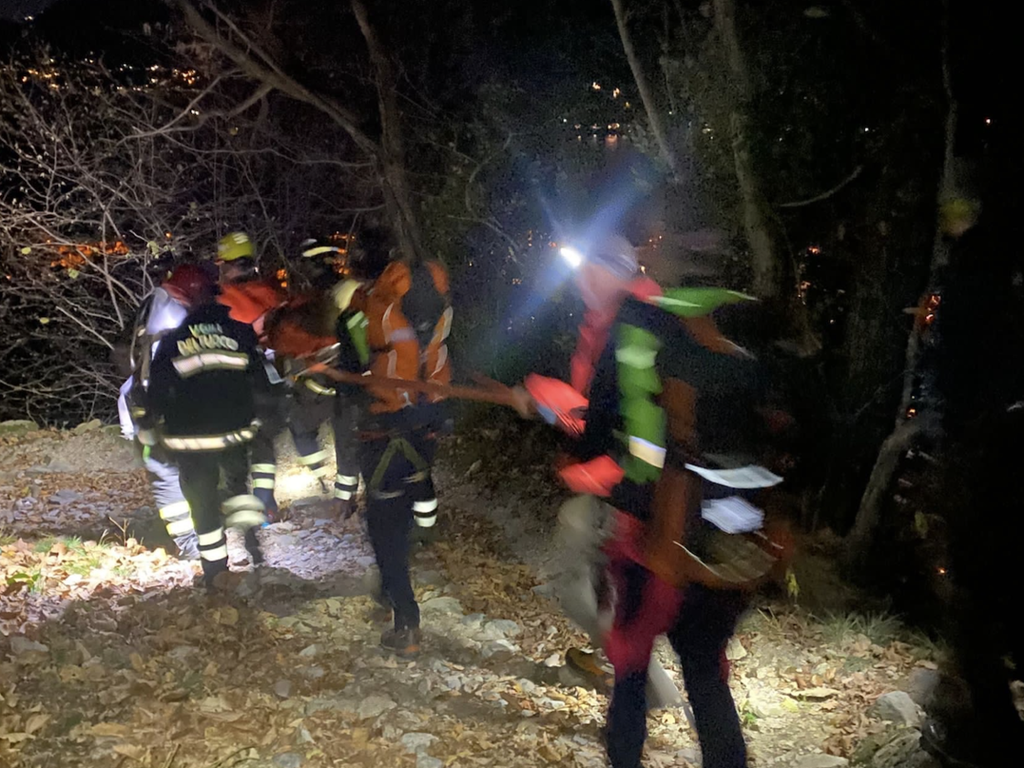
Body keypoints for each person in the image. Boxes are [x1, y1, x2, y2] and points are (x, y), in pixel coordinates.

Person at [521, 233, 787, 768]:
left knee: (631, 665)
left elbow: (599, 428)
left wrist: (566, 436)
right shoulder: (746, 326)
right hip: (729, 533)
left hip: (654, 531)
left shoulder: (635, 328)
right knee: (707, 674)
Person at [334, 229, 452, 656]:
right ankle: (392, 588)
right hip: (426, 426)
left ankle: (406, 624)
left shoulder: (362, 313)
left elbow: (350, 381)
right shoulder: (437, 305)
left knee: (384, 527)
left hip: (382, 431)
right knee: (401, 512)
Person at [137, 262, 270, 586]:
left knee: (203, 505)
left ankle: (215, 573)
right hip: (235, 434)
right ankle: (255, 549)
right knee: (238, 488)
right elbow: (261, 383)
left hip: (190, 440)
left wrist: (150, 427)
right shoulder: (240, 333)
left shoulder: (174, 340)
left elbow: (156, 391)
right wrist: (261, 422)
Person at [117, 266, 201, 560]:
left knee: (169, 471)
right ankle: (193, 541)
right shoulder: (183, 317)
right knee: (174, 471)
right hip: (166, 409)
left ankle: (192, 540)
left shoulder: (155, 308)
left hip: (151, 408)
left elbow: (128, 360)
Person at [215, 231, 287, 518]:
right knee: (262, 442)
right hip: (271, 379)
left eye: (223, 264)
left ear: (230, 264)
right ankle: (266, 504)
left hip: (235, 380)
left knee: (233, 443)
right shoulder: (272, 292)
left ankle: (238, 503)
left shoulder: (224, 297)